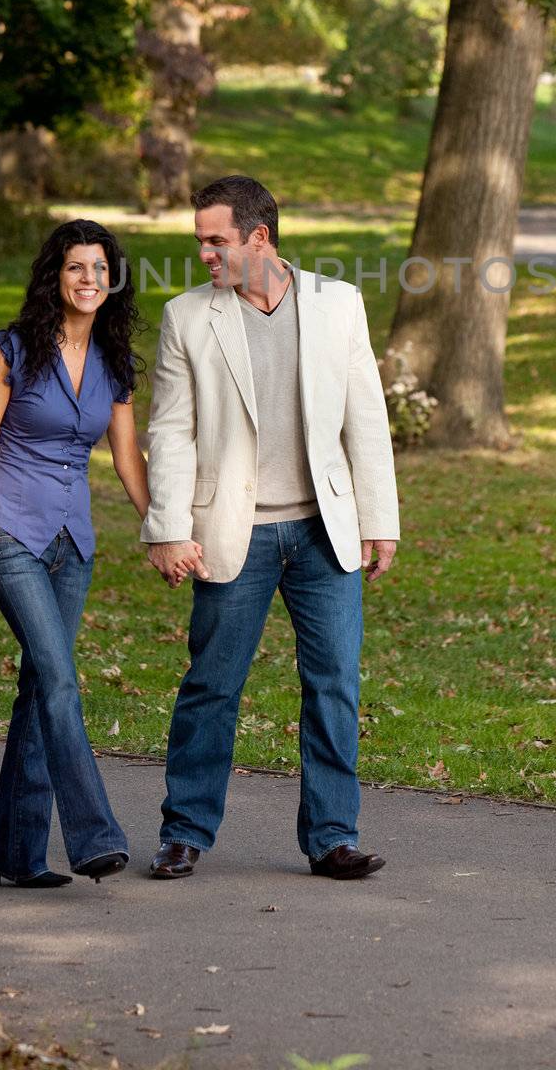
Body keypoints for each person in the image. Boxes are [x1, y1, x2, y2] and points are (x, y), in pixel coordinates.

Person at [141, 174, 399, 881]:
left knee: (334, 685)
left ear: (259, 237)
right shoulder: (188, 317)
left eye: (214, 240)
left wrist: (379, 520)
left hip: (323, 533)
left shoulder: (337, 304)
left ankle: (331, 838)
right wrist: (166, 527)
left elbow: (364, 418)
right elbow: (169, 433)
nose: (203, 254)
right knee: (212, 687)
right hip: (234, 534)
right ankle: (184, 832)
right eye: (198, 241)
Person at [0, 219, 198, 889]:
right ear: (54, 278)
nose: (89, 279)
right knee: (59, 679)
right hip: (12, 536)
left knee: (41, 686)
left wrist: (164, 528)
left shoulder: (112, 362)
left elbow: (126, 456)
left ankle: (17, 855)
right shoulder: (9, 352)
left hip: (74, 543)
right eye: (76, 268)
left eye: (99, 269)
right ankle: (93, 836)